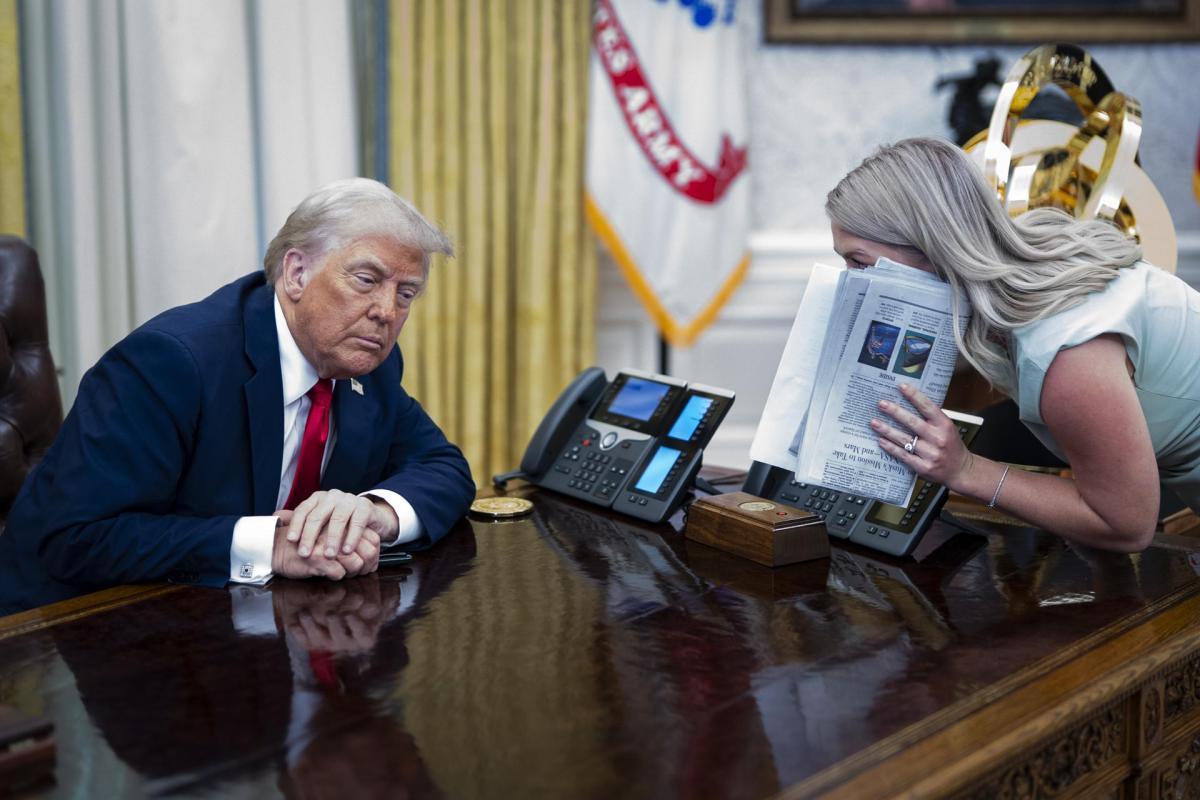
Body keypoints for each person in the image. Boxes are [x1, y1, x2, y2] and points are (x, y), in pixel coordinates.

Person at [0, 178, 476, 613]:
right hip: (62, 632)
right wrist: (268, 545)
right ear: (296, 273)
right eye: (366, 280)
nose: (386, 312)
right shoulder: (172, 362)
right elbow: (76, 538)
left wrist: (373, 513)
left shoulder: (370, 365)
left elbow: (444, 467)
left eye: (406, 294)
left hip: (253, 620)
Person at [826, 137, 1200, 553]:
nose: (850, 284)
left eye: (859, 262)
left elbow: (1126, 524)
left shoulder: (1065, 350)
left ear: (932, 249)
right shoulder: (1029, 260)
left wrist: (965, 469)